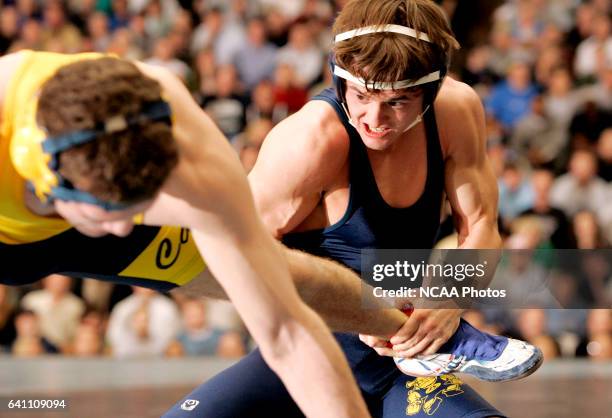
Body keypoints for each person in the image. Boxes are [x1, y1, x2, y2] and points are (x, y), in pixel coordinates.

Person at [163, 1, 541, 417]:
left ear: (430, 92)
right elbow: (232, 254)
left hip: (403, 363)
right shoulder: (310, 141)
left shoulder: (456, 111)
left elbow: (483, 226)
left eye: (397, 102)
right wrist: (351, 309)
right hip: (309, 354)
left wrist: (447, 298)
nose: (373, 119)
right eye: (361, 95)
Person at [0, 49, 370, 418]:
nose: (121, 228)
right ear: (46, 177)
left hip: (93, 198)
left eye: (134, 209)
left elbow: (285, 331)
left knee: (285, 277)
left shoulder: (192, 150)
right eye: (110, 213)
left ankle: (395, 321)